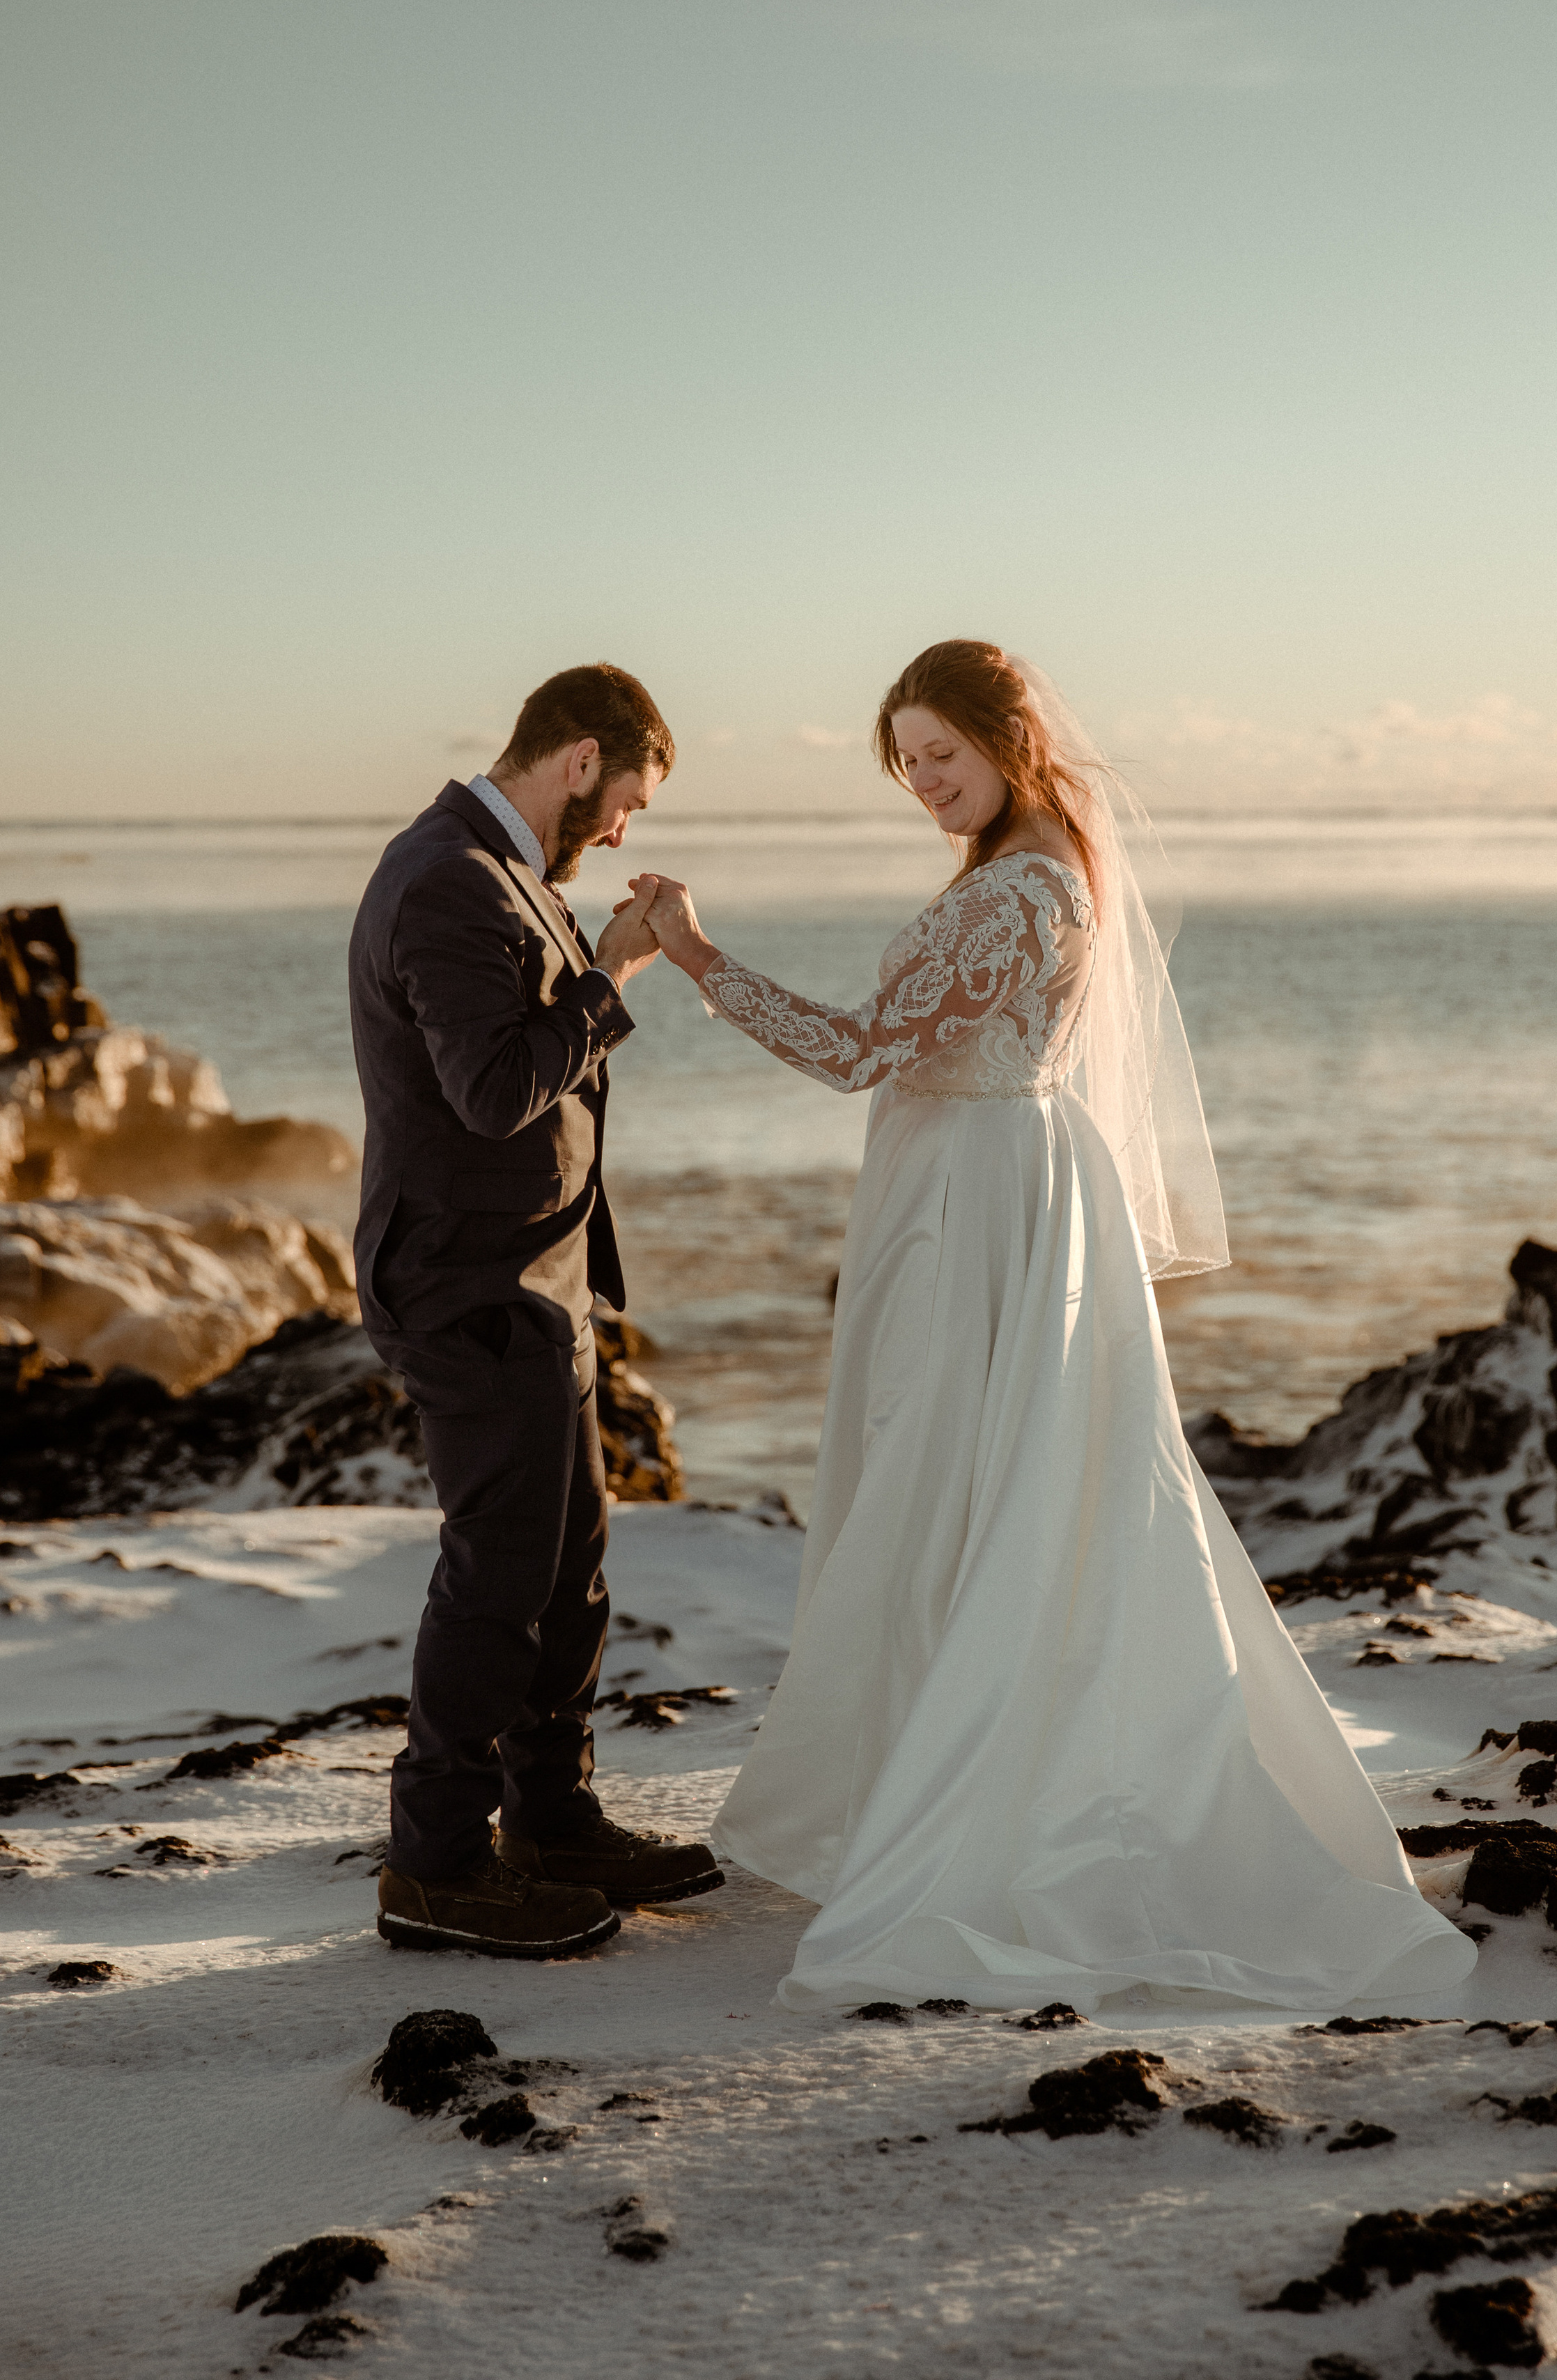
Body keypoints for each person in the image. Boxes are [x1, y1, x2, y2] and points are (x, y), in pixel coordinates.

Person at [629, 641, 1476, 2014]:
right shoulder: (1028, 867)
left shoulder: (1024, 889)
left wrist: (691, 952)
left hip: (976, 1202)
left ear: (1003, 741)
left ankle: (976, 1796)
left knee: (953, 1482)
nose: (921, 784)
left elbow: (855, 1054)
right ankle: (915, 1770)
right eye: (903, 764)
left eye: (940, 756)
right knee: (964, 1484)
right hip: (979, 1183)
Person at [348, 661, 722, 1961]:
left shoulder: (500, 873)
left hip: (535, 1281)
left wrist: (591, 956)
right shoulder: (448, 879)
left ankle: (549, 1823)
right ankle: (435, 1869)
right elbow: (494, 1092)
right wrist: (614, 977)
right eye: (625, 800)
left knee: (567, 1574)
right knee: (497, 1580)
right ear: (577, 762)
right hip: (466, 1284)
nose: (623, 829)